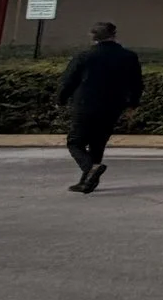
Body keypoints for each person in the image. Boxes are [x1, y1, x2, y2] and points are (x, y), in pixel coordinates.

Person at [56, 20, 144, 193]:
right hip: (113, 105)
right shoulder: (128, 56)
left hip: (85, 104)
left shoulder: (84, 56)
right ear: (114, 35)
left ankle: (89, 168)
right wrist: (133, 103)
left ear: (92, 36)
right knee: (98, 142)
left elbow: (69, 80)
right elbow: (136, 83)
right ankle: (88, 181)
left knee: (75, 141)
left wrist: (61, 99)